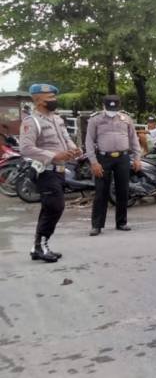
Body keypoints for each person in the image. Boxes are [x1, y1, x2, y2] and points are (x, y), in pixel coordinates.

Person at [19, 83, 83, 263]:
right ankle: (40, 246)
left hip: (60, 170)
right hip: (45, 172)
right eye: (50, 98)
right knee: (55, 207)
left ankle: (38, 246)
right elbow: (26, 148)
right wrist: (54, 155)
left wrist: (73, 149)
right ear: (38, 101)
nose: (54, 100)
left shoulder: (57, 119)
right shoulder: (31, 122)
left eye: (54, 97)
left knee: (49, 208)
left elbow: (66, 138)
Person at [85, 95, 142, 236]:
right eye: (110, 108)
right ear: (104, 106)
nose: (113, 111)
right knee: (101, 192)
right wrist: (94, 162)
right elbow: (89, 142)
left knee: (123, 190)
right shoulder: (95, 119)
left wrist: (137, 158)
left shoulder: (126, 119)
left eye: (115, 108)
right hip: (103, 158)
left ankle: (121, 222)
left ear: (119, 106)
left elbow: (133, 138)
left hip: (123, 157)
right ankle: (97, 225)